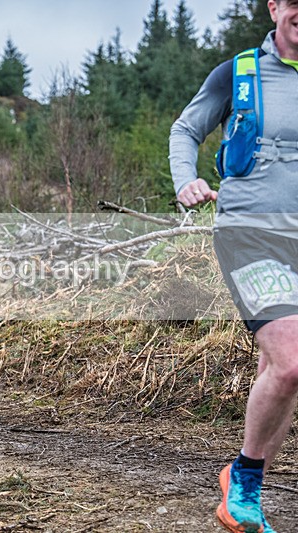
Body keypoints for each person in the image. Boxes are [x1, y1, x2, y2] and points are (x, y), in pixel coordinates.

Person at [169, 2, 298, 531]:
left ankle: (245, 490)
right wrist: (186, 180)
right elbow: (186, 129)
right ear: (275, 7)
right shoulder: (238, 73)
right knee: (291, 362)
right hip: (249, 234)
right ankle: (244, 479)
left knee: (282, 373)